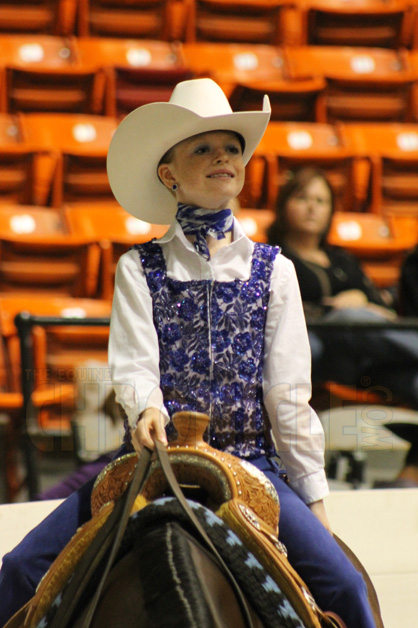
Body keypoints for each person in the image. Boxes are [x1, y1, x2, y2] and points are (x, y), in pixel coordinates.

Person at [0, 80, 376, 628]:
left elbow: (288, 395)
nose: (222, 155)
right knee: (17, 571)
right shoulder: (139, 267)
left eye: (230, 147)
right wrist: (145, 408)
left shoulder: (277, 271)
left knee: (344, 584)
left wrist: (314, 500)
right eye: (201, 147)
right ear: (168, 173)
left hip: (253, 464)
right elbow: (133, 366)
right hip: (153, 459)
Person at [266, 166, 418, 409]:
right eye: (302, 198)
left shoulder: (342, 260)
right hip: (315, 351)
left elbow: (381, 310)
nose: (312, 208)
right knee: (348, 317)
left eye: (321, 201)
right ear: (284, 205)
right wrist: (334, 310)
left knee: (413, 379)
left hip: (364, 360)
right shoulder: (272, 258)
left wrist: (360, 298)